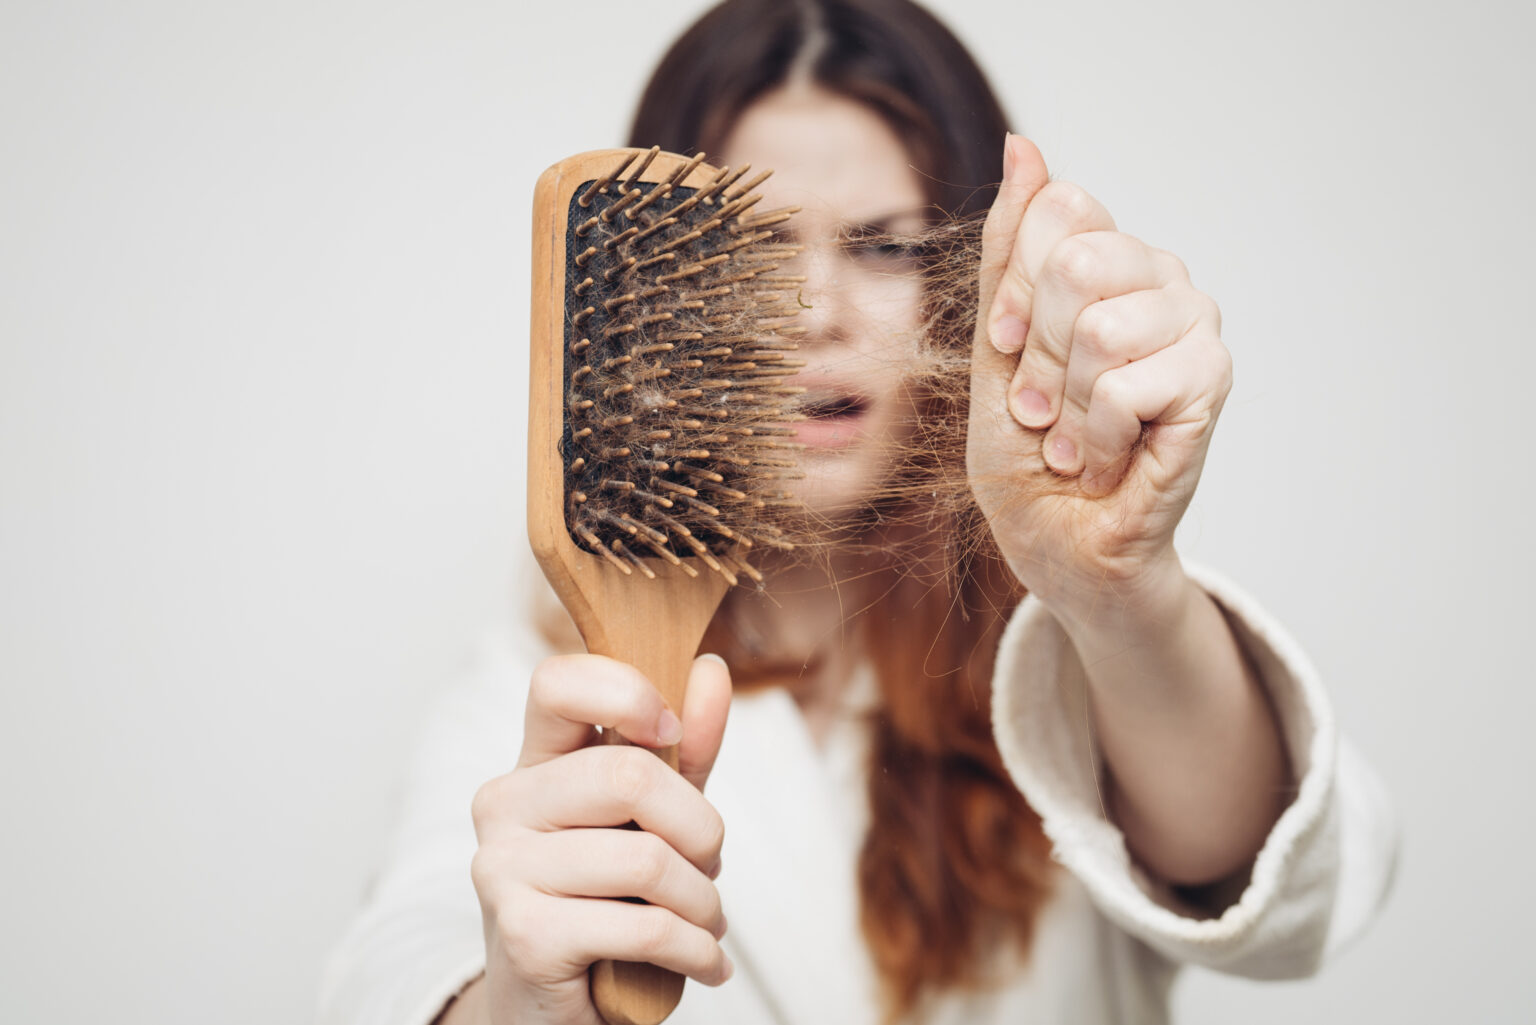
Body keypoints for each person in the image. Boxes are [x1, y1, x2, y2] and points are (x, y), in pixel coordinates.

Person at [318, 1, 1397, 1023]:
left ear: (977, 280)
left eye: (883, 243)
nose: (815, 313)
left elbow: (1269, 872)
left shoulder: (1075, 665)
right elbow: (405, 958)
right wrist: (516, 999)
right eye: (755, 248)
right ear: (648, 296)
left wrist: (1116, 588)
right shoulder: (536, 700)